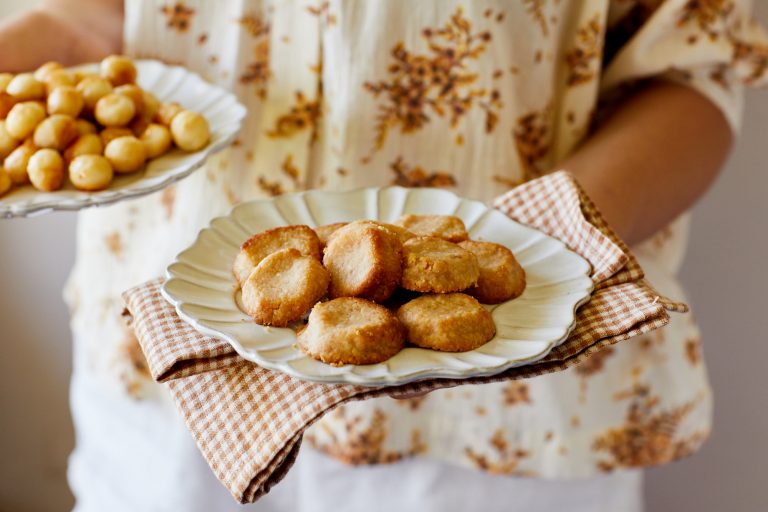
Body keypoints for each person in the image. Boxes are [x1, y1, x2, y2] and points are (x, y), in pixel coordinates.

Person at [2, 1, 766, 510]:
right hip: (176, 366)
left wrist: (541, 247)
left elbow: (695, 64)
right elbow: (103, 14)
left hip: (499, 419)